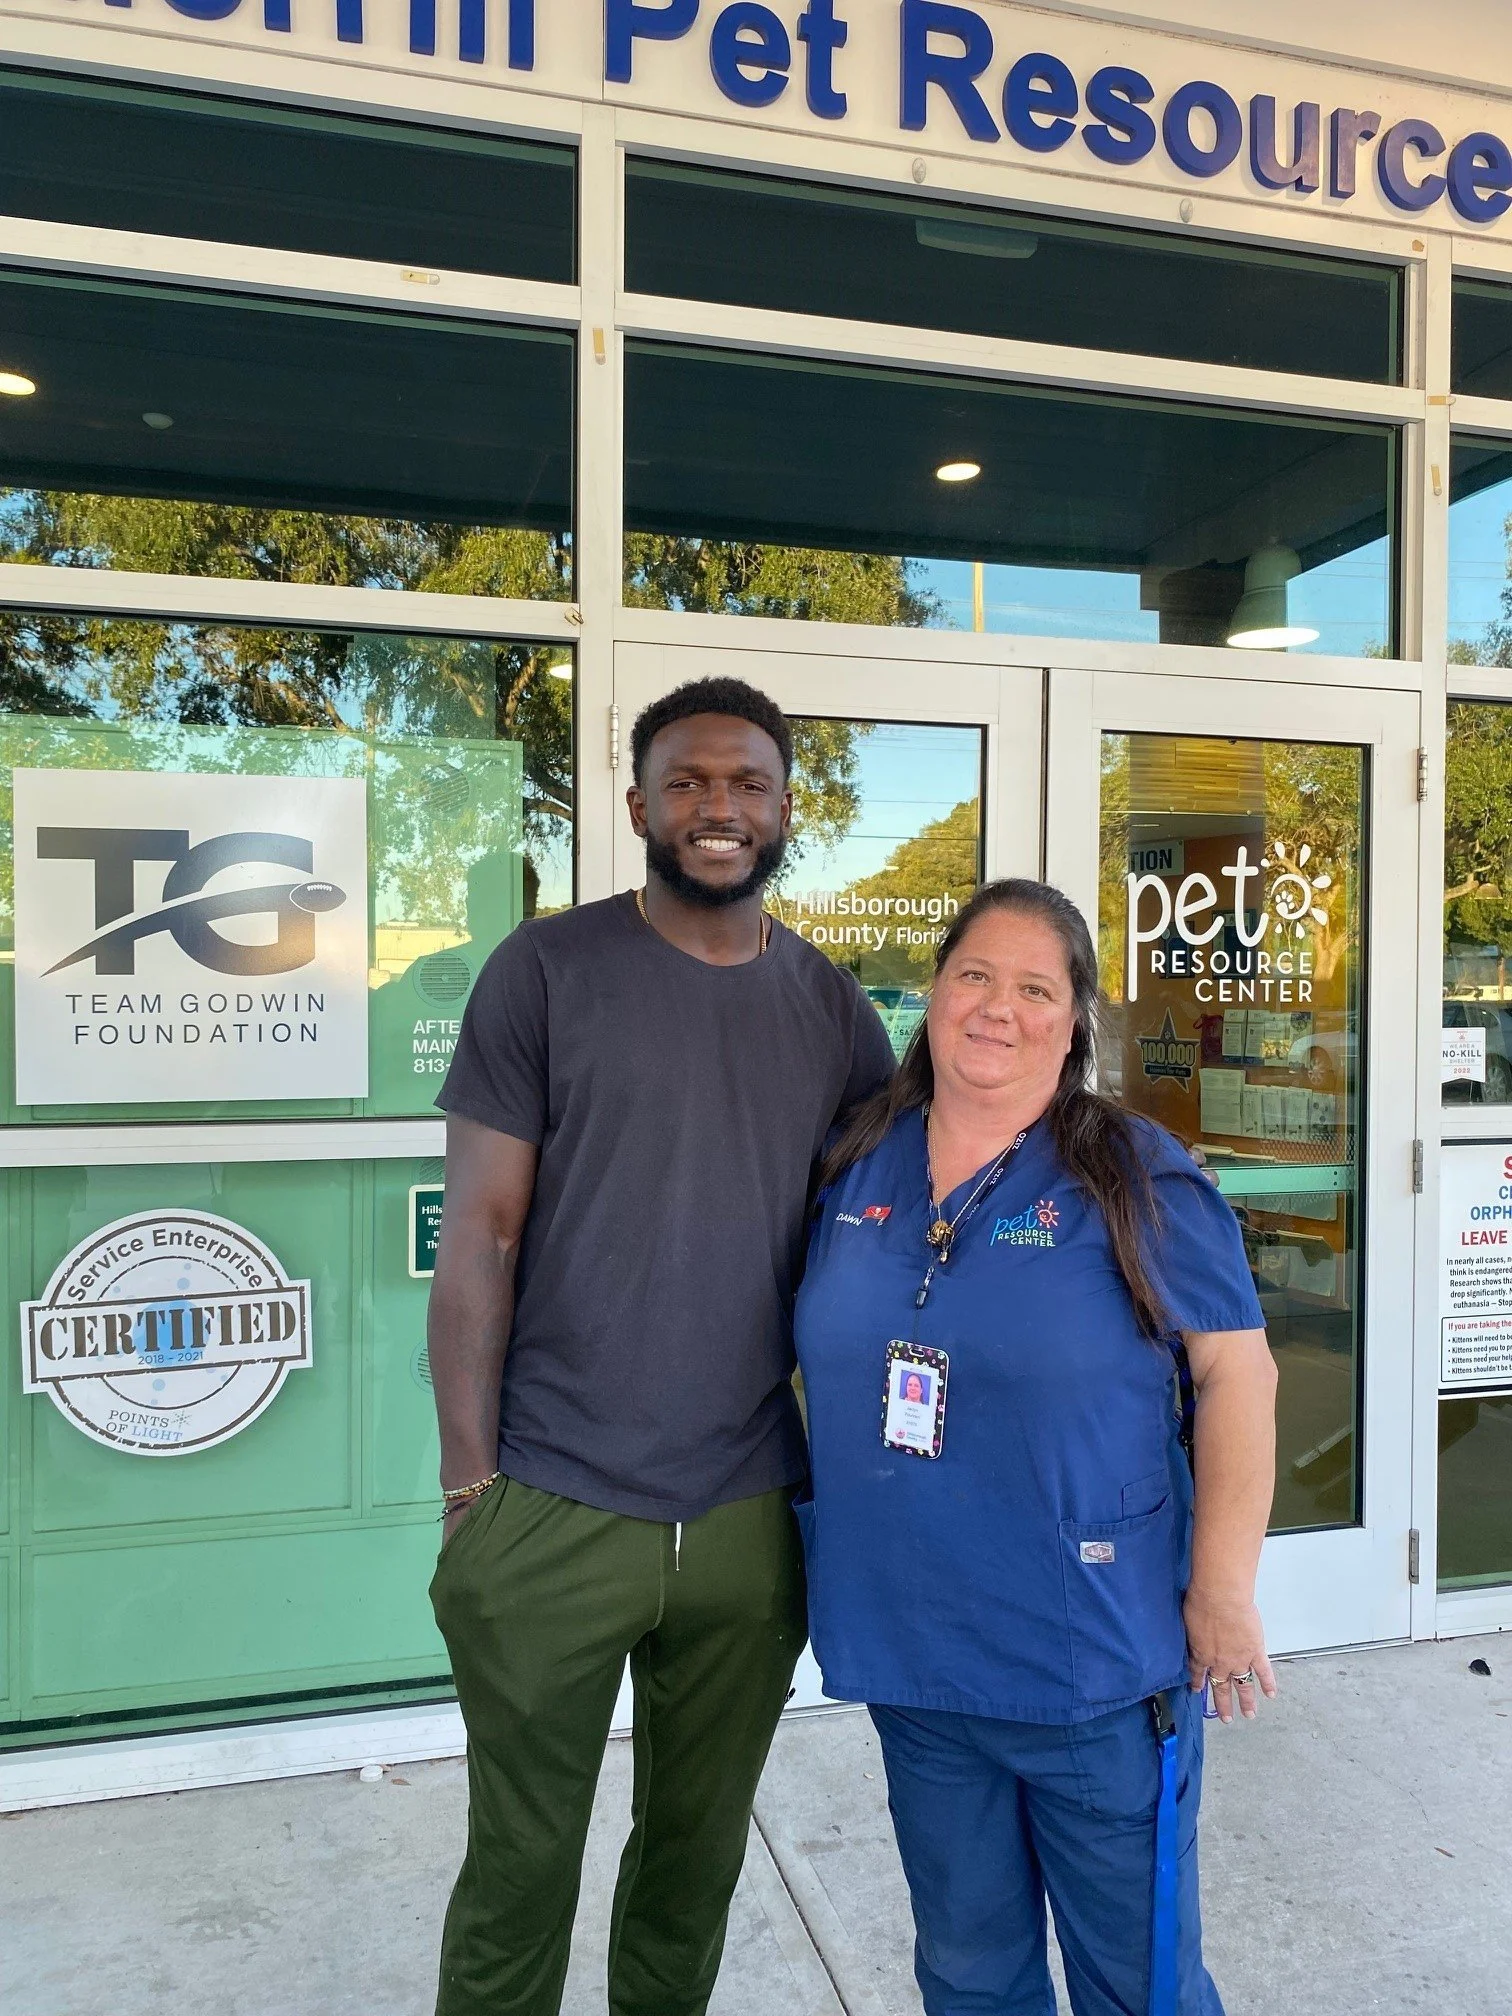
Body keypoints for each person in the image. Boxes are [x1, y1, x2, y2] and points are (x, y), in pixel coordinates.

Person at [425, 675, 895, 2016]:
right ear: (635, 803)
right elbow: (481, 1241)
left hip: (748, 1517)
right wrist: (472, 1490)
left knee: (691, 1874)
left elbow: (879, 1257)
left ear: (791, 807)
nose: (719, 809)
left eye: (749, 783)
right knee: (520, 1873)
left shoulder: (835, 1013)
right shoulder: (549, 971)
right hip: (554, 1501)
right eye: (687, 781)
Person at [793, 877, 1278, 2016]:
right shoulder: (859, 1159)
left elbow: (1236, 1374)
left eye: (1033, 988)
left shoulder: (1133, 1175)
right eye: (974, 976)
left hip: (1092, 1670)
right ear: (932, 996)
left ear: (1074, 1022)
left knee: (1138, 1984)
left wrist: (1222, 1591)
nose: (997, 1008)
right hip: (916, 1660)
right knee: (967, 1974)